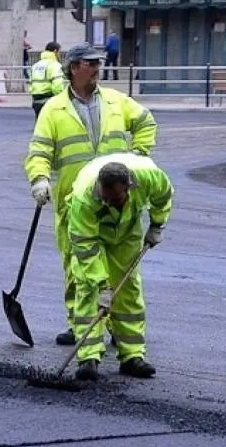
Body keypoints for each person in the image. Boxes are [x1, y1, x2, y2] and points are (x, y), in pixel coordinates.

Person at [24, 42, 157, 346]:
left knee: (120, 267)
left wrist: (138, 155)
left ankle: (118, 326)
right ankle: (79, 323)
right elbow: (39, 150)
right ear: (73, 68)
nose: (98, 68)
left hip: (116, 199)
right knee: (78, 265)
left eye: (99, 63)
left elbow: (146, 122)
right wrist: (40, 179)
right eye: (91, 63)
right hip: (75, 201)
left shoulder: (115, 101)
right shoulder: (53, 109)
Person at [66, 153, 172, 381]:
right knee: (88, 289)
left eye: (114, 199)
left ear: (129, 187)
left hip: (126, 231)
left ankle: (132, 356)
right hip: (92, 235)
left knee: (128, 290)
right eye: (104, 198)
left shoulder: (150, 177)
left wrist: (157, 224)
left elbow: (164, 195)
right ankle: (88, 358)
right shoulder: (84, 198)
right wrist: (102, 285)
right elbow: (85, 246)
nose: (107, 203)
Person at [29, 42, 65, 119]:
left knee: (40, 123)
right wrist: (62, 99)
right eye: (59, 52)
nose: (60, 55)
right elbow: (57, 86)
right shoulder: (55, 65)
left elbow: (30, 83)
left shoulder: (35, 65)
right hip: (49, 99)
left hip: (36, 100)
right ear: (55, 51)